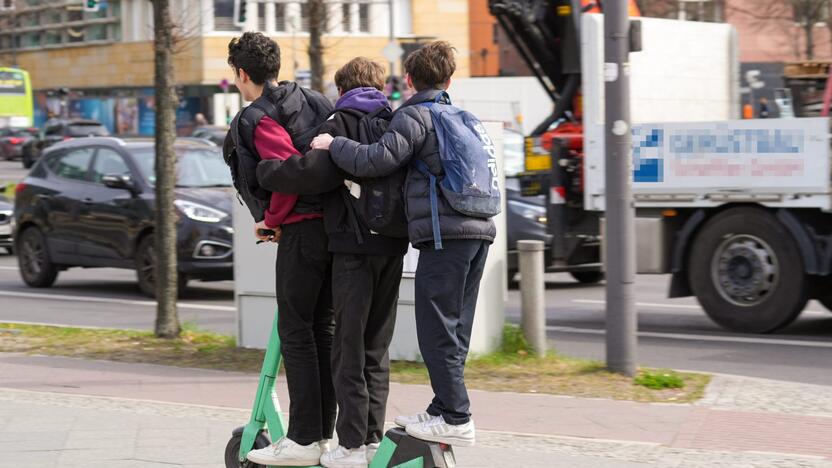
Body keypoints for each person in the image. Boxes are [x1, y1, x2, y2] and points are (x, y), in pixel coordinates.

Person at [311, 41, 495, 448]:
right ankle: (442, 408)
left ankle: (457, 416)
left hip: (444, 235)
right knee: (456, 327)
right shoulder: (462, 116)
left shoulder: (415, 116)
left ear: (409, 80)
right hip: (480, 230)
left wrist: (333, 145)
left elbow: (376, 160)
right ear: (450, 79)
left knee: (435, 328)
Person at [256, 57, 409, 468]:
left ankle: (351, 446)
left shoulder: (339, 123)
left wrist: (268, 171)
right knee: (376, 346)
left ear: (342, 90)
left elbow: (312, 173)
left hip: (352, 248)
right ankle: (373, 440)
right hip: (393, 248)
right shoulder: (395, 123)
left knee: (347, 348)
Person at [225, 31, 336, 466]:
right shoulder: (315, 101)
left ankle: (305, 437)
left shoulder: (258, 116)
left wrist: (270, 221)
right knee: (322, 331)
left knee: (296, 331)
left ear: (241, 73)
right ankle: (324, 433)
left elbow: (288, 171)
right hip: (336, 230)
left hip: (301, 232)